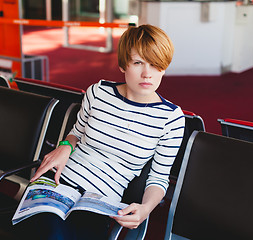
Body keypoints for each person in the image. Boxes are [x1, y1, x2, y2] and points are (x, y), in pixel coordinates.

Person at [21, 24, 185, 239]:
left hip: (99, 201)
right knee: (50, 231)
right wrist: (65, 146)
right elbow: (76, 133)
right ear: (123, 64)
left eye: (156, 65)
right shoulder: (98, 92)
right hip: (59, 183)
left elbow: (159, 178)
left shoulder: (171, 119)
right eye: (138, 63)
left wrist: (146, 209)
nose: (147, 74)